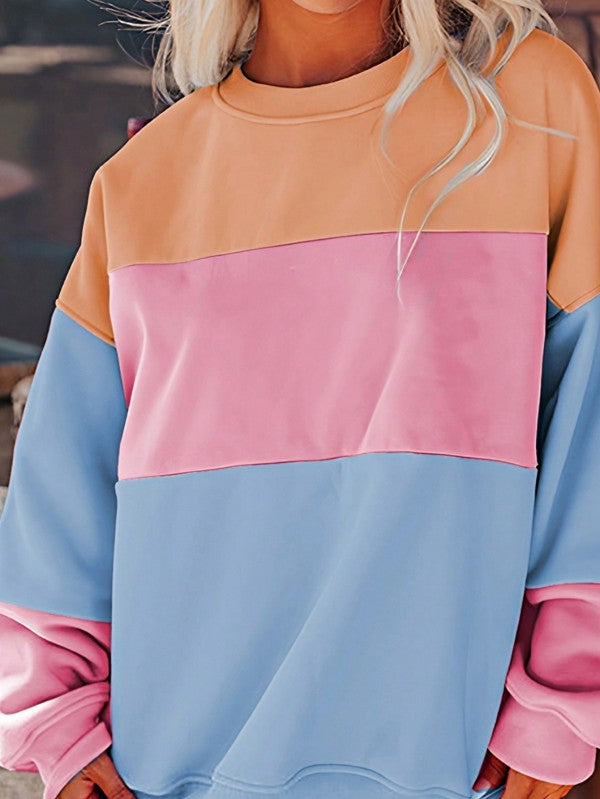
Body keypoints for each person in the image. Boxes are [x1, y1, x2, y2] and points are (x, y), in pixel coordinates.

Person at [0, 2, 599, 799]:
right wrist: (58, 725)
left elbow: (591, 419)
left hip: (436, 766)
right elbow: (62, 491)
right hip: (172, 769)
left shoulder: (529, 100)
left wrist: (563, 702)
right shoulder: (144, 180)